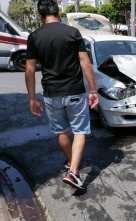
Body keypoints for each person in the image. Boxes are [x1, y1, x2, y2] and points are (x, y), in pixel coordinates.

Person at [25, 0, 99, 191]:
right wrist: (93, 90)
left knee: (62, 132)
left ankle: (70, 163)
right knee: (80, 130)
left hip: (51, 93)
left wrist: (32, 98)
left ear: (41, 16)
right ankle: (74, 171)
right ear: (58, 12)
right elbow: (86, 64)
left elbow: (30, 70)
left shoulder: (34, 37)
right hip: (74, 91)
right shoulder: (72, 32)